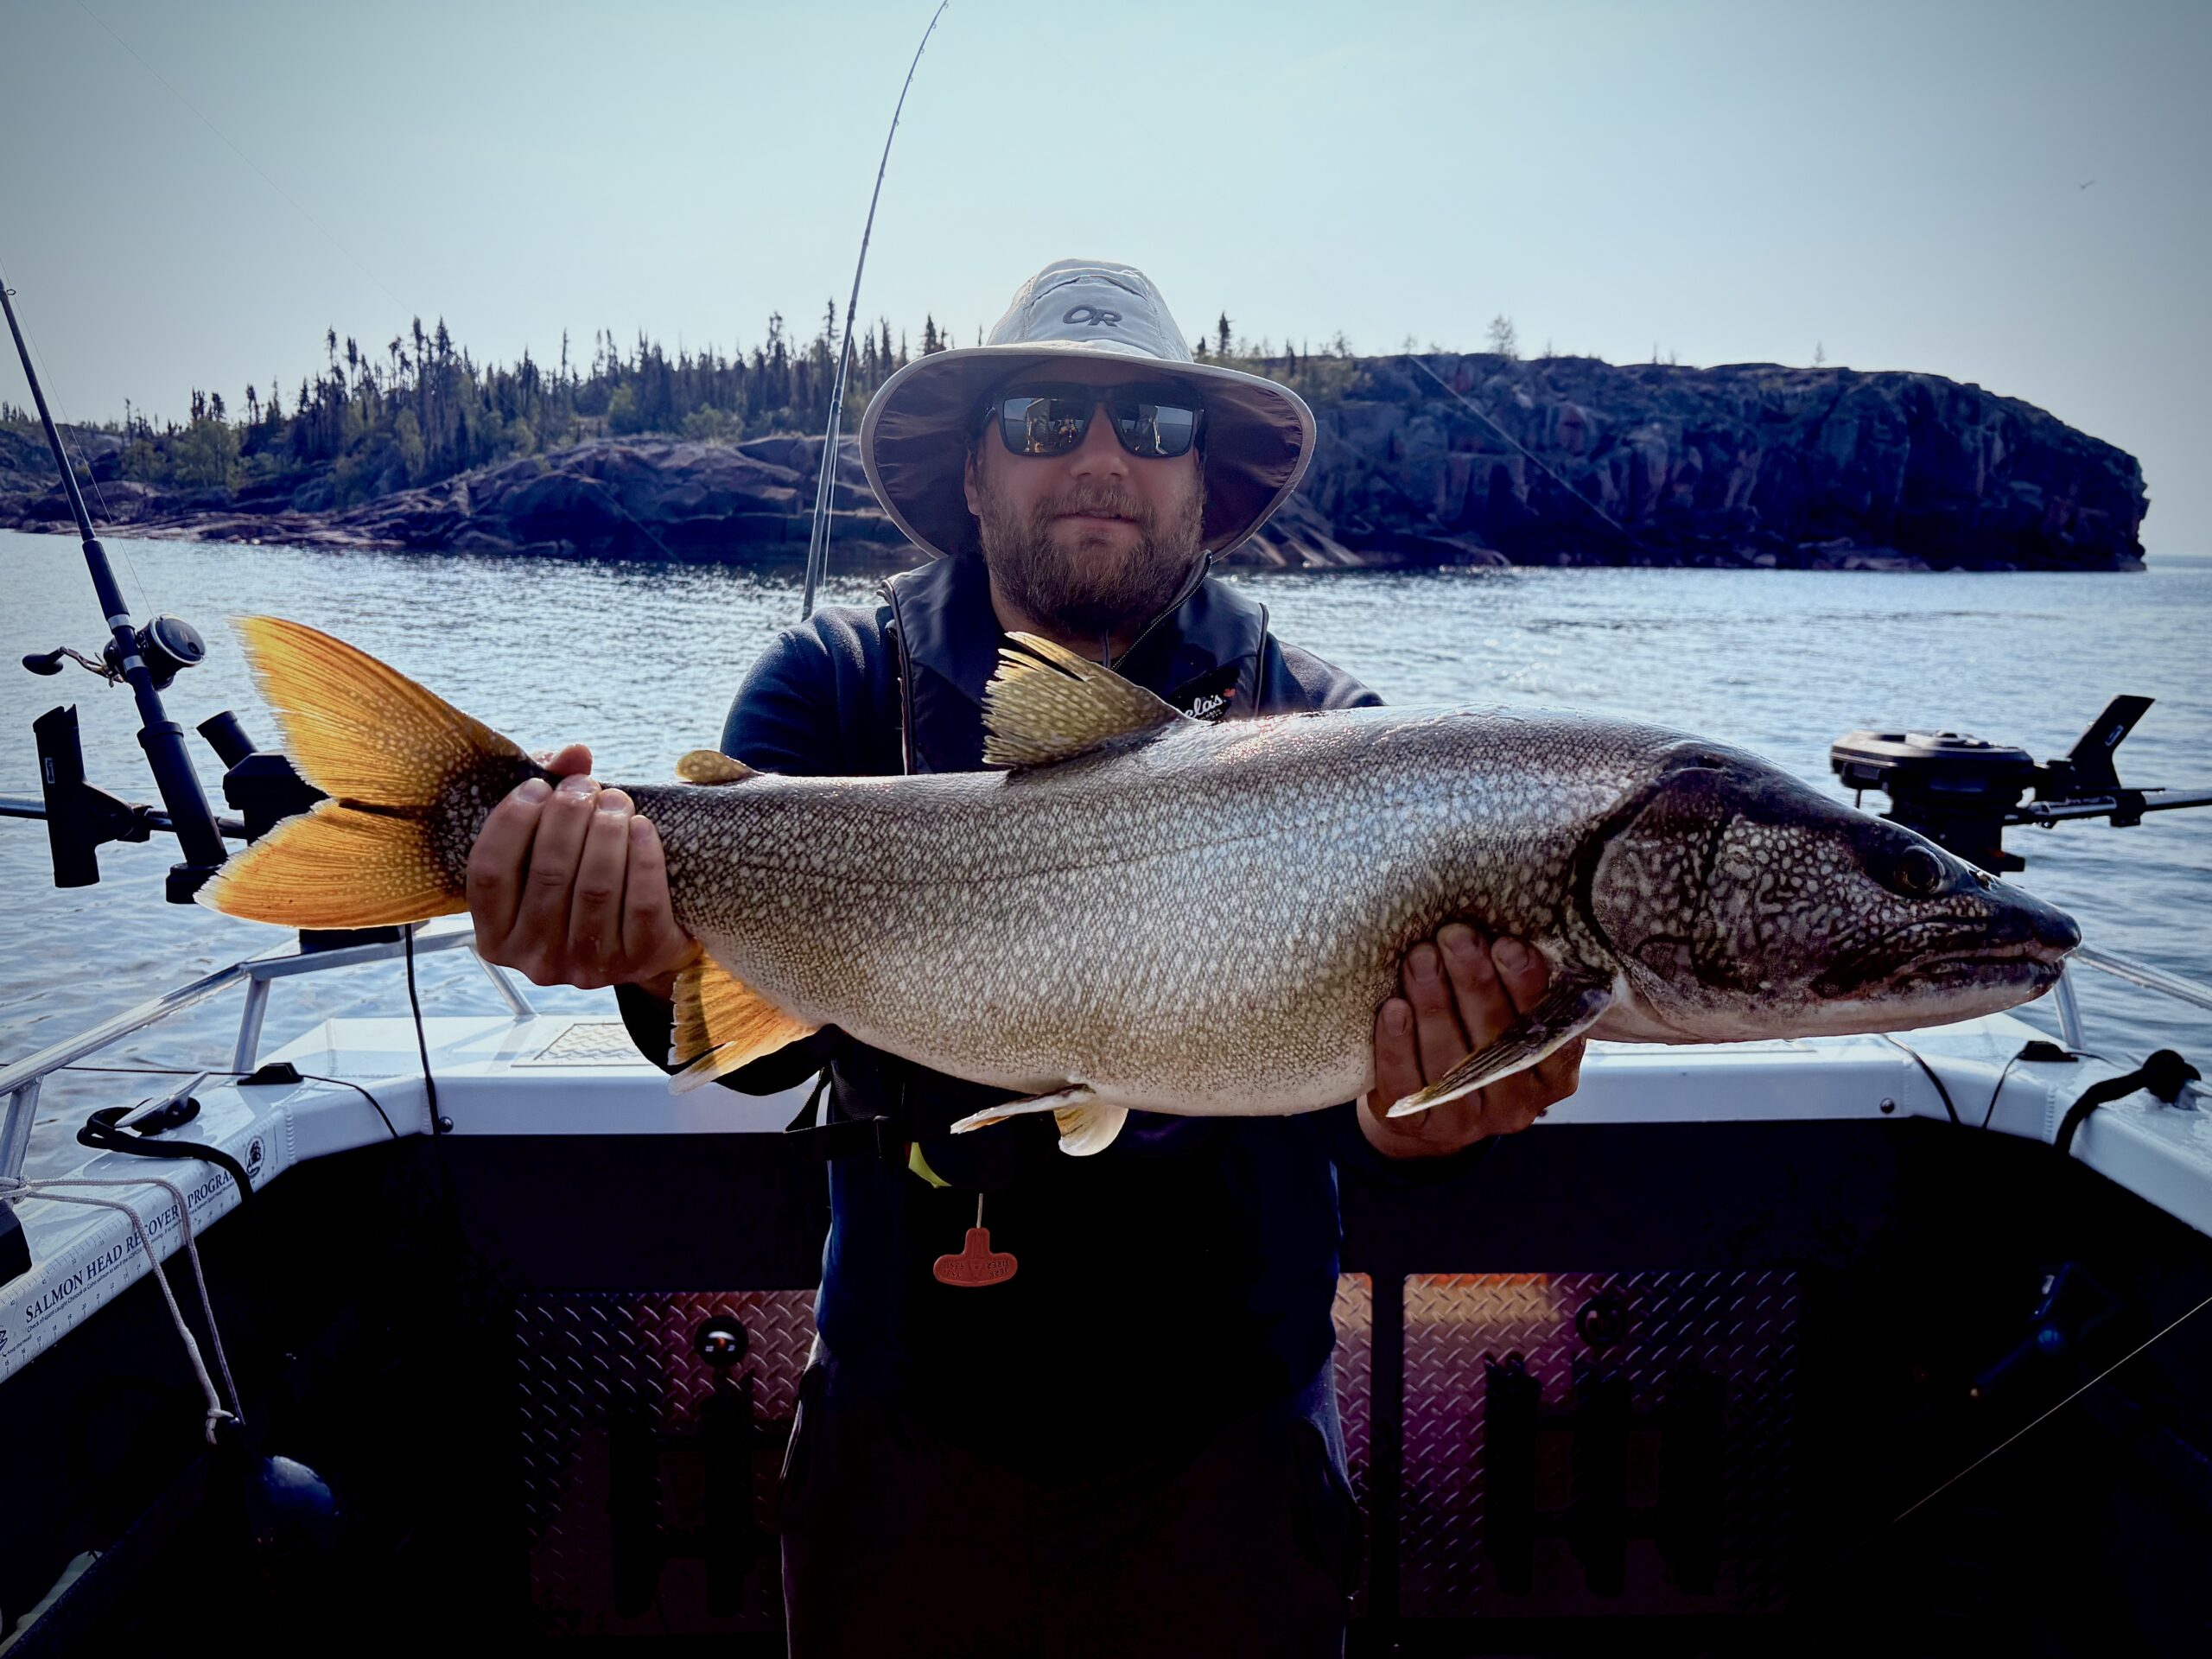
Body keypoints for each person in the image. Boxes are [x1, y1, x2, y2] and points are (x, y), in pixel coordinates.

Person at [464, 259, 1584, 1657]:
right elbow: (739, 1055)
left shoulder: (1330, 735)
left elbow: (1381, 1132)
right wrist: (625, 950)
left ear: (1204, 485)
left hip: (1234, 1450)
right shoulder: (829, 685)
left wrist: (1438, 1119)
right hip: (901, 1436)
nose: (1106, 458)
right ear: (978, 475)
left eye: (1157, 428)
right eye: (1049, 417)